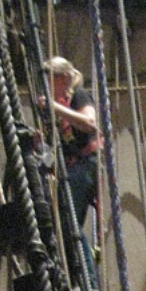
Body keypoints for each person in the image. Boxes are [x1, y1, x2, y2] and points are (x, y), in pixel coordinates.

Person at [40, 57, 99, 229]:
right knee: (63, 225)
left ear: (64, 78)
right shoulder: (57, 108)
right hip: (71, 168)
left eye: (50, 81)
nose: (47, 87)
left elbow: (90, 123)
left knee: (68, 224)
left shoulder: (79, 96)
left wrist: (54, 107)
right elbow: (52, 149)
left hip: (86, 165)